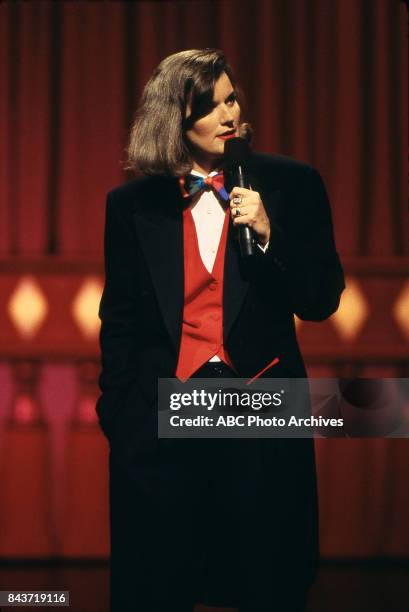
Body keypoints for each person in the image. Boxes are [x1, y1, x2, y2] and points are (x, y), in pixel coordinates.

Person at [96, 48, 345, 612]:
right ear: (175, 122)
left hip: (257, 418)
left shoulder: (293, 184)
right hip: (162, 418)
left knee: (267, 585)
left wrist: (268, 232)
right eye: (208, 107)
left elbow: (322, 299)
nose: (229, 114)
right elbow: (121, 321)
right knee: (156, 588)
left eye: (230, 98)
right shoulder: (130, 206)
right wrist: (121, 413)